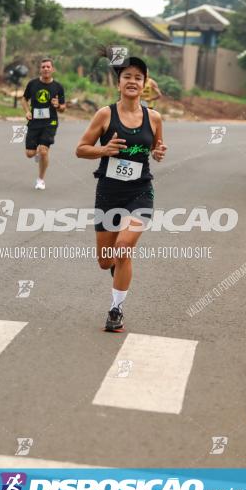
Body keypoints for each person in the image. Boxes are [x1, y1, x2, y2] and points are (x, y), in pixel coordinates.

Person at [76, 56, 166, 333]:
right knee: (106, 261)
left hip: (140, 191)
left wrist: (157, 152)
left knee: (124, 247)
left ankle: (116, 309)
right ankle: (118, 268)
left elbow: (156, 147)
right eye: (127, 76)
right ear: (119, 83)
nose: (132, 81)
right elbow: (81, 149)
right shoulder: (105, 115)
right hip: (108, 192)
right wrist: (104, 150)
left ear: (145, 84)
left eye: (138, 77)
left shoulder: (154, 118)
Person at [21, 58, 66, 190]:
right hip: (34, 121)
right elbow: (24, 99)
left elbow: (63, 108)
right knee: (30, 153)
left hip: (50, 122)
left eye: (48, 67)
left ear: (52, 69)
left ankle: (40, 179)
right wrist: (27, 111)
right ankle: (37, 154)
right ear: (40, 70)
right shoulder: (32, 84)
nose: (46, 69)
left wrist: (58, 106)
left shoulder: (58, 87)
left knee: (44, 151)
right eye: (43, 67)